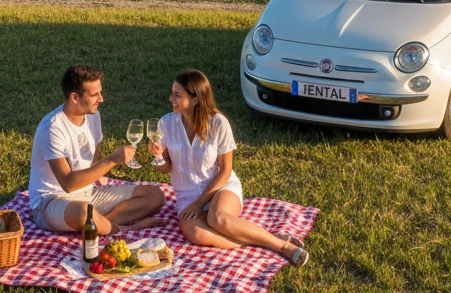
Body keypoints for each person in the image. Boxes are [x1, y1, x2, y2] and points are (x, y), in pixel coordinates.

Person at [148, 69, 308, 266]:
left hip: (220, 188)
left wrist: (199, 204)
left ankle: (281, 246)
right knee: (197, 234)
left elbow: (225, 171)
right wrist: (157, 157)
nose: (170, 98)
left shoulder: (218, 123)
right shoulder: (166, 123)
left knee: (218, 219)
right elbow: (166, 169)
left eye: (177, 95)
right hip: (187, 195)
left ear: (196, 99)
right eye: (173, 92)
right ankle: (257, 239)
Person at [29, 64, 165, 234]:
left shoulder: (93, 116)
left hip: (88, 193)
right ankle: (123, 228)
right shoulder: (52, 128)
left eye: (100, 92)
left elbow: (95, 158)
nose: (101, 99)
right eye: (94, 95)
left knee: (154, 196)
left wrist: (102, 173)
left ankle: (100, 224)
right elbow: (68, 184)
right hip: (52, 202)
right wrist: (112, 160)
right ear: (75, 97)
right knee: (83, 213)